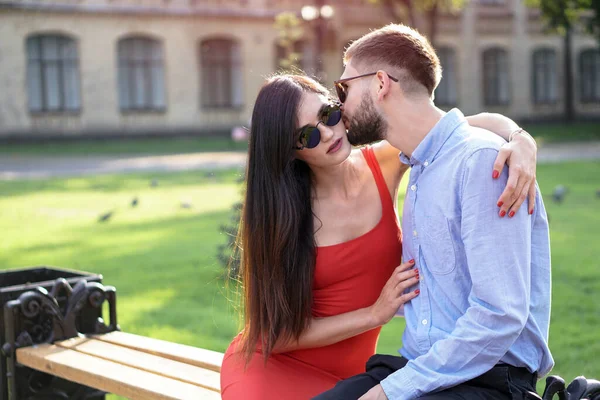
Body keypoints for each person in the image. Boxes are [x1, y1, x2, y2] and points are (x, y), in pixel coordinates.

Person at [219, 72, 538, 400]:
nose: (328, 133)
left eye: (328, 114)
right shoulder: (282, 214)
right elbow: (275, 334)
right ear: (290, 151)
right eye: (308, 136)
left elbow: (459, 126)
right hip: (270, 370)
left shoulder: (384, 162)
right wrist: (374, 313)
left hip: (354, 379)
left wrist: (521, 138)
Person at [313, 24, 553, 400]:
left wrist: (391, 392)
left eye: (344, 88)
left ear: (380, 83)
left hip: (490, 380)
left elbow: (500, 315)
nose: (339, 105)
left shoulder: (481, 162)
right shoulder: (421, 166)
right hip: (426, 367)